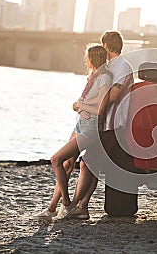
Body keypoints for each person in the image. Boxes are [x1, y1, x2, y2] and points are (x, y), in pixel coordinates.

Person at [35, 44, 113, 220]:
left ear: (93, 58)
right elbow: (86, 102)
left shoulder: (105, 78)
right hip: (80, 125)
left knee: (56, 159)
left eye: (86, 57)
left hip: (90, 129)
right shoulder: (93, 77)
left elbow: (100, 107)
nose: (85, 60)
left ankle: (67, 204)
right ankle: (52, 208)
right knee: (66, 164)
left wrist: (80, 105)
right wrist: (79, 108)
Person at [65, 30, 137, 218]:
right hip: (101, 123)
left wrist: (85, 104)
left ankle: (75, 206)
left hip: (114, 124)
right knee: (90, 164)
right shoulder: (107, 67)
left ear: (106, 46)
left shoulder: (122, 66)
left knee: (88, 163)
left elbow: (112, 96)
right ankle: (82, 207)